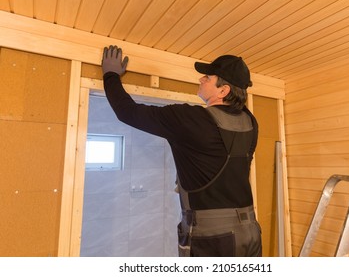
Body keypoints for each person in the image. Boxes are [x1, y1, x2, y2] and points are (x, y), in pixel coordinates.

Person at [101, 45, 262, 257]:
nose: (200, 80)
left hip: (215, 238)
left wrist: (110, 75)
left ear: (223, 91)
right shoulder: (251, 123)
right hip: (250, 232)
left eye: (207, 77)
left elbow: (127, 112)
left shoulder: (190, 119)